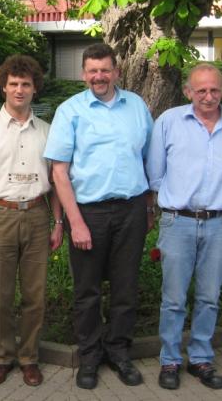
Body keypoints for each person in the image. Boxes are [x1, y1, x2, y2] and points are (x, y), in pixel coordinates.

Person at [44, 43, 154, 390]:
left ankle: (119, 352)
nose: (99, 76)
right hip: (88, 212)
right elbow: (59, 173)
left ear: (116, 72)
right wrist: (74, 222)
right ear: (83, 74)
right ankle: (90, 356)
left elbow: (149, 160)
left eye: (105, 70)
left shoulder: (136, 106)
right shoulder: (70, 111)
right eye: (92, 71)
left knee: (125, 287)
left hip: (131, 209)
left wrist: (149, 207)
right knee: (87, 291)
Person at [0, 54, 63, 387]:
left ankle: (29, 357)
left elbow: (57, 185)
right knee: (0, 295)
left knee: (35, 294)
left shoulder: (48, 132)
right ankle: (3, 357)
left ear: (35, 89)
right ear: (3, 87)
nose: (19, 90)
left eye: (26, 84)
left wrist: (58, 223)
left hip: (37, 215)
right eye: (14, 84)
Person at [146, 63, 222, 391]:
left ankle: (201, 358)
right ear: (188, 91)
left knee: (209, 297)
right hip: (178, 222)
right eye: (201, 90)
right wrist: (171, 203)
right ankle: (170, 359)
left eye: (214, 90)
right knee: (174, 299)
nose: (208, 96)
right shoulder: (169, 121)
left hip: (218, 223)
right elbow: (155, 173)